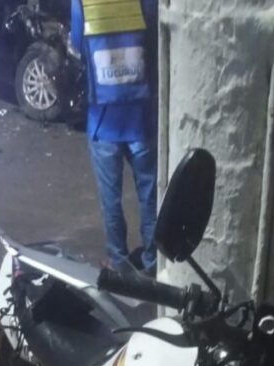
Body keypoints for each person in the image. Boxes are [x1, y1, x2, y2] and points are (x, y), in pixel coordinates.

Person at [71, 0, 158, 274]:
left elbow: (77, 43)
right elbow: (155, 36)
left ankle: (119, 262)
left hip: (103, 122)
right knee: (150, 198)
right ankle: (153, 262)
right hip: (141, 118)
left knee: (111, 200)